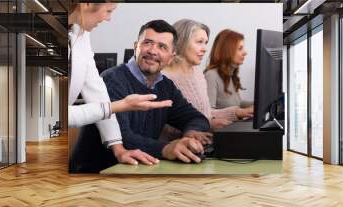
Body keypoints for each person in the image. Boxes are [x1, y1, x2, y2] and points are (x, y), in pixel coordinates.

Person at [68, 3, 172, 167]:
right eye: (109, 11)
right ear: (87, 4)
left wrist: (119, 149)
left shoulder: (81, 33)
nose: (108, 18)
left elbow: (97, 91)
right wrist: (119, 106)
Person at [101, 20, 212, 164]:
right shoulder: (113, 79)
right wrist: (166, 148)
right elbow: (121, 136)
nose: (153, 51)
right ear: (136, 46)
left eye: (162, 47)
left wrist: (191, 134)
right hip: (100, 171)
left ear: (171, 57)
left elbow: (195, 117)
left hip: (140, 170)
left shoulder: (165, 86)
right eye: (147, 43)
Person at [162, 19, 236, 131]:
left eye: (206, 43)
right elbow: (164, 128)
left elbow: (205, 113)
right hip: (180, 146)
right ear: (181, 42)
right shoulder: (163, 79)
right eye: (199, 42)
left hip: (203, 141)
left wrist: (237, 112)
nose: (205, 49)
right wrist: (207, 125)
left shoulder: (197, 72)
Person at [204, 29, 253, 119]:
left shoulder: (229, 75)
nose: (245, 53)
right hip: (221, 132)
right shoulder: (211, 76)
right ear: (227, 50)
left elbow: (236, 103)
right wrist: (238, 112)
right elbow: (207, 114)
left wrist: (256, 105)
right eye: (240, 48)